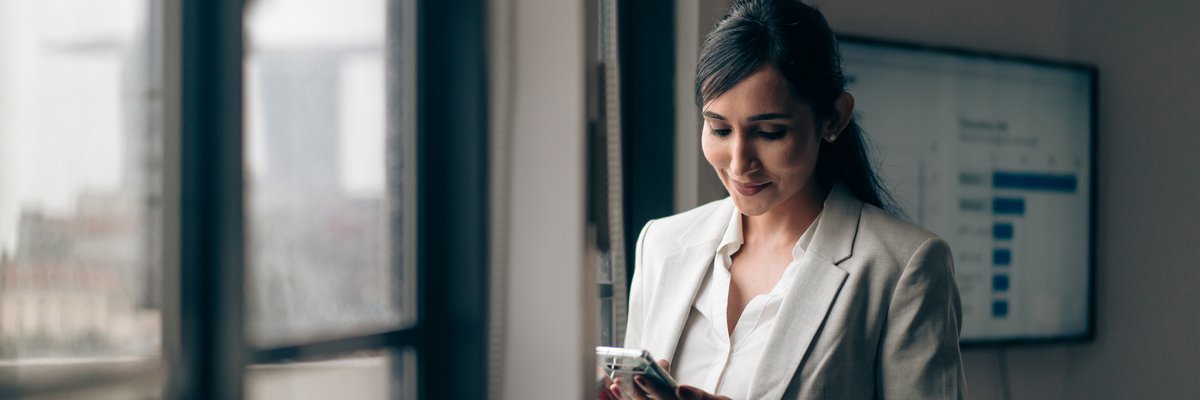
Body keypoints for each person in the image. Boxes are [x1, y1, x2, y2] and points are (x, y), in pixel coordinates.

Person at [606, 0, 966, 399]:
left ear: (834, 118)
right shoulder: (661, 244)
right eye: (719, 129)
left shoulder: (902, 268)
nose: (740, 163)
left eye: (770, 133)